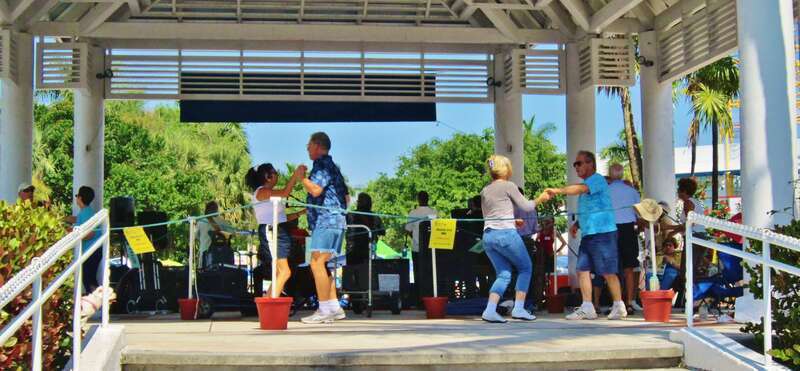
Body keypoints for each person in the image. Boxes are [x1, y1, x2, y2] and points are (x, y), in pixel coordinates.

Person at [545, 150, 627, 320]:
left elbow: (580, 189)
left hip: (603, 233)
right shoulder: (589, 183)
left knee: (607, 272)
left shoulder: (596, 180)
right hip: (590, 234)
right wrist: (577, 224)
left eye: (579, 163)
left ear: (590, 164)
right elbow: (590, 209)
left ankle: (619, 305)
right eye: (575, 164)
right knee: (582, 270)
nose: (576, 167)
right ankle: (587, 306)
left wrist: (558, 190)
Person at [480, 155, 549, 323]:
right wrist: (541, 198)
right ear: (506, 169)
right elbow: (526, 207)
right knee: (526, 267)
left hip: (488, 236)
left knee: (503, 274)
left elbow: (489, 215)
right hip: (506, 234)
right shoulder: (509, 186)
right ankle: (519, 308)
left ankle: (489, 310)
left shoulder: (485, 190)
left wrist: (511, 220)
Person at [300, 132, 350, 324]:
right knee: (323, 264)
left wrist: (300, 177)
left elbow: (315, 189)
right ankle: (334, 307)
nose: (307, 148)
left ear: (317, 145)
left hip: (326, 221)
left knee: (316, 263)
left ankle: (323, 310)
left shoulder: (321, 164)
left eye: (309, 144)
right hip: (336, 221)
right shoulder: (334, 168)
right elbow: (346, 197)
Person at [246, 163, 307, 298]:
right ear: (268, 177)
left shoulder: (269, 194)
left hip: (278, 230)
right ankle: (268, 304)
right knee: (284, 272)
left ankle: (268, 302)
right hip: (272, 231)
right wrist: (295, 176)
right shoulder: (262, 192)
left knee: (282, 272)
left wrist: (302, 212)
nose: (277, 176)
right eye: (275, 173)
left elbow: (282, 216)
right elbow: (285, 192)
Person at [606, 164, 641, 313]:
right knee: (629, 268)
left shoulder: (605, 191)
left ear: (610, 175)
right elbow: (639, 213)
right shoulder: (632, 191)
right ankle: (630, 301)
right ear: (622, 174)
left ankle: (616, 302)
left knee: (612, 268)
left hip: (610, 229)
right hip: (628, 229)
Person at [65, 186, 103, 292]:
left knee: (88, 280)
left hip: (91, 251)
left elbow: (91, 233)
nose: (76, 198)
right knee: (88, 279)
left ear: (80, 198)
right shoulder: (86, 212)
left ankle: (98, 303)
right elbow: (77, 221)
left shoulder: (86, 212)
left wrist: (73, 235)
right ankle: (97, 303)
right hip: (91, 251)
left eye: (77, 196)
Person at [405, 191, 439, 298]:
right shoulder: (434, 212)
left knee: (418, 275)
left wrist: (416, 239)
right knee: (430, 275)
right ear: (428, 199)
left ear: (418, 199)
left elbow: (408, 230)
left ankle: (419, 298)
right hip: (431, 249)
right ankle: (431, 296)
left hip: (417, 248)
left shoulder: (413, 213)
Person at [515, 187, 540, 306]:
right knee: (527, 270)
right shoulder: (531, 207)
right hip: (528, 241)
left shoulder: (513, 208)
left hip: (515, 241)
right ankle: (527, 300)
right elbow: (536, 229)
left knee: (514, 271)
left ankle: (514, 300)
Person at [346, 193, 385, 266]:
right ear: (370, 204)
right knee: (366, 274)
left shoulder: (350, 215)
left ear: (359, 203)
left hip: (352, 251)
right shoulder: (375, 217)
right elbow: (383, 231)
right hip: (368, 251)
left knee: (352, 273)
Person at [196, 201, 237, 268]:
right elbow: (233, 233)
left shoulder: (201, 221)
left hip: (204, 252)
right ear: (216, 210)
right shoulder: (222, 221)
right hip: (220, 254)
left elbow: (196, 236)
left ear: (207, 209)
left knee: (204, 273)